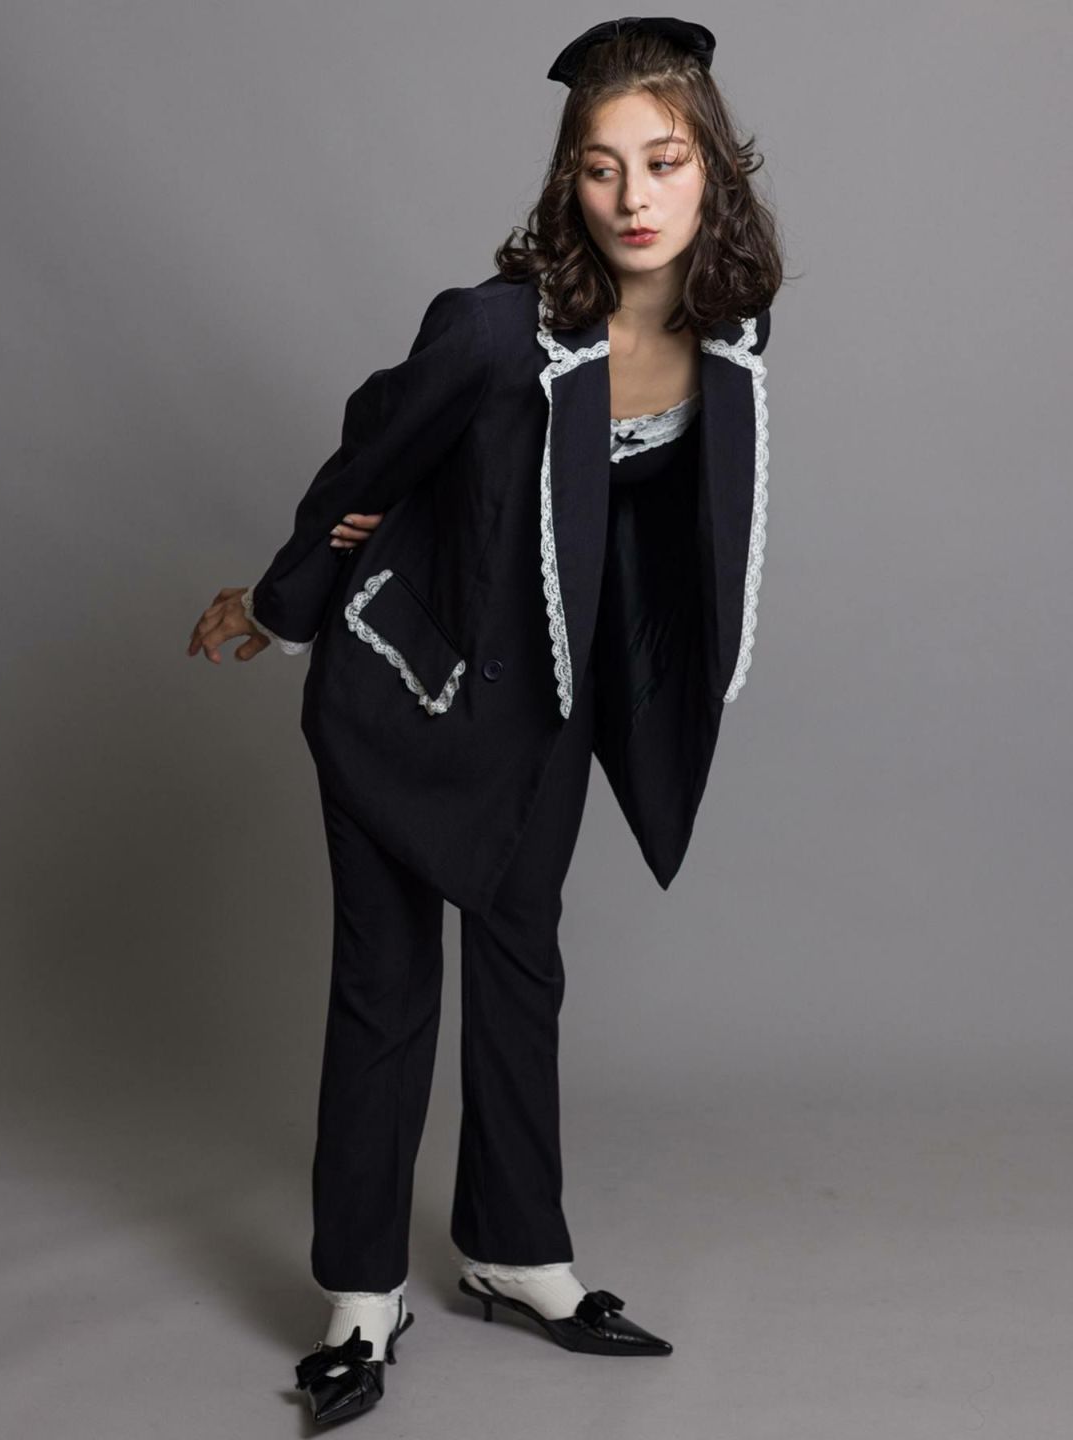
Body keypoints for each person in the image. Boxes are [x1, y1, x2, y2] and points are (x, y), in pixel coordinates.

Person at [187, 15, 783, 1427]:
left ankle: (515, 1251)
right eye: (601, 167)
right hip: (408, 688)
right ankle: (361, 1295)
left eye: (664, 161)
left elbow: (647, 519)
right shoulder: (492, 328)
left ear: (713, 168)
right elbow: (369, 448)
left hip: (549, 701)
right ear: (568, 181)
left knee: (524, 967)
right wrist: (277, 601)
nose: (634, 198)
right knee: (385, 985)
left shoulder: (734, 327)